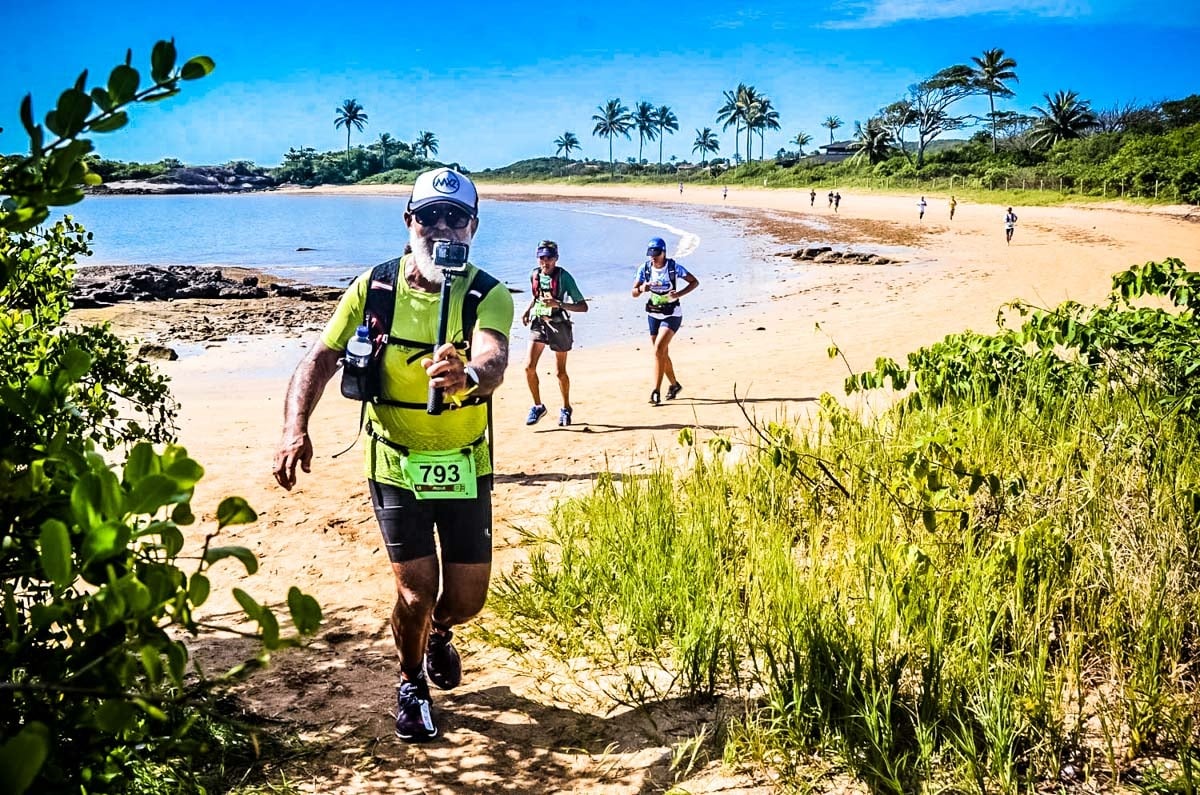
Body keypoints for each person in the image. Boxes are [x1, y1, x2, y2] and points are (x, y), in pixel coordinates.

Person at [272, 167, 514, 743]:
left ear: (473, 226)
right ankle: (411, 684)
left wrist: (469, 375)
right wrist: (293, 428)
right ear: (409, 222)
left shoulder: (488, 292)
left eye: (455, 216)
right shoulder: (373, 287)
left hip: (464, 460)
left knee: (465, 601)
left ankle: (437, 634)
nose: (441, 227)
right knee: (415, 591)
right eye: (428, 216)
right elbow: (320, 358)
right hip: (393, 459)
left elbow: (495, 359)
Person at [521, 240, 588, 427]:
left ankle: (566, 407)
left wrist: (558, 304)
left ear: (556, 258)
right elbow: (536, 297)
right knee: (528, 367)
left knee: (560, 372)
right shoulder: (534, 275)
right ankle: (537, 406)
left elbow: (583, 306)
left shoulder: (564, 277)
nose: (545, 261)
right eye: (542, 258)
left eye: (549, 258)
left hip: (559, 325)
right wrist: (527, 310)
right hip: (539, 323)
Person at [631, 236, 700, 405]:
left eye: (656, 253)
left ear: (664, 252)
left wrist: (678, 294)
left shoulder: (673, 268)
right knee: (662, 353)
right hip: (653, 314)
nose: (653, 257)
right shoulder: (645, 268)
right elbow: (633, 292)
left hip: (672, 314)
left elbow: (694, 282)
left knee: (658, 350)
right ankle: (675, 385)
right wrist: (641, 289)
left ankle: (656, 391)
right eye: (651, 253)